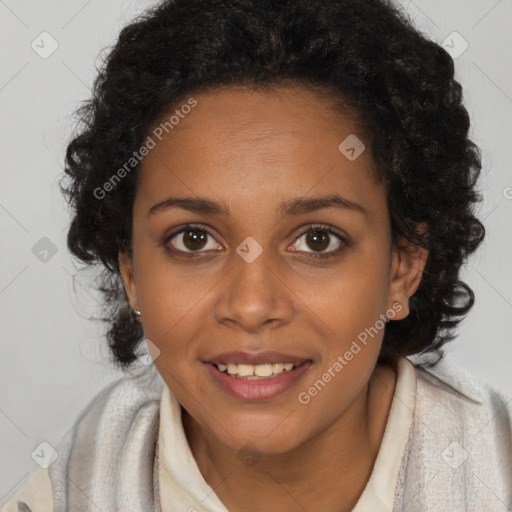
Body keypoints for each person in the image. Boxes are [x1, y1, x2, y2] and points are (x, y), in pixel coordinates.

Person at [2, 0, 511, 511]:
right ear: (132, 272)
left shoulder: (496, 470)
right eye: (194, 239)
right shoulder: (68, 495)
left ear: (402, 268)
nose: (250, 305)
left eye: (317, 240)